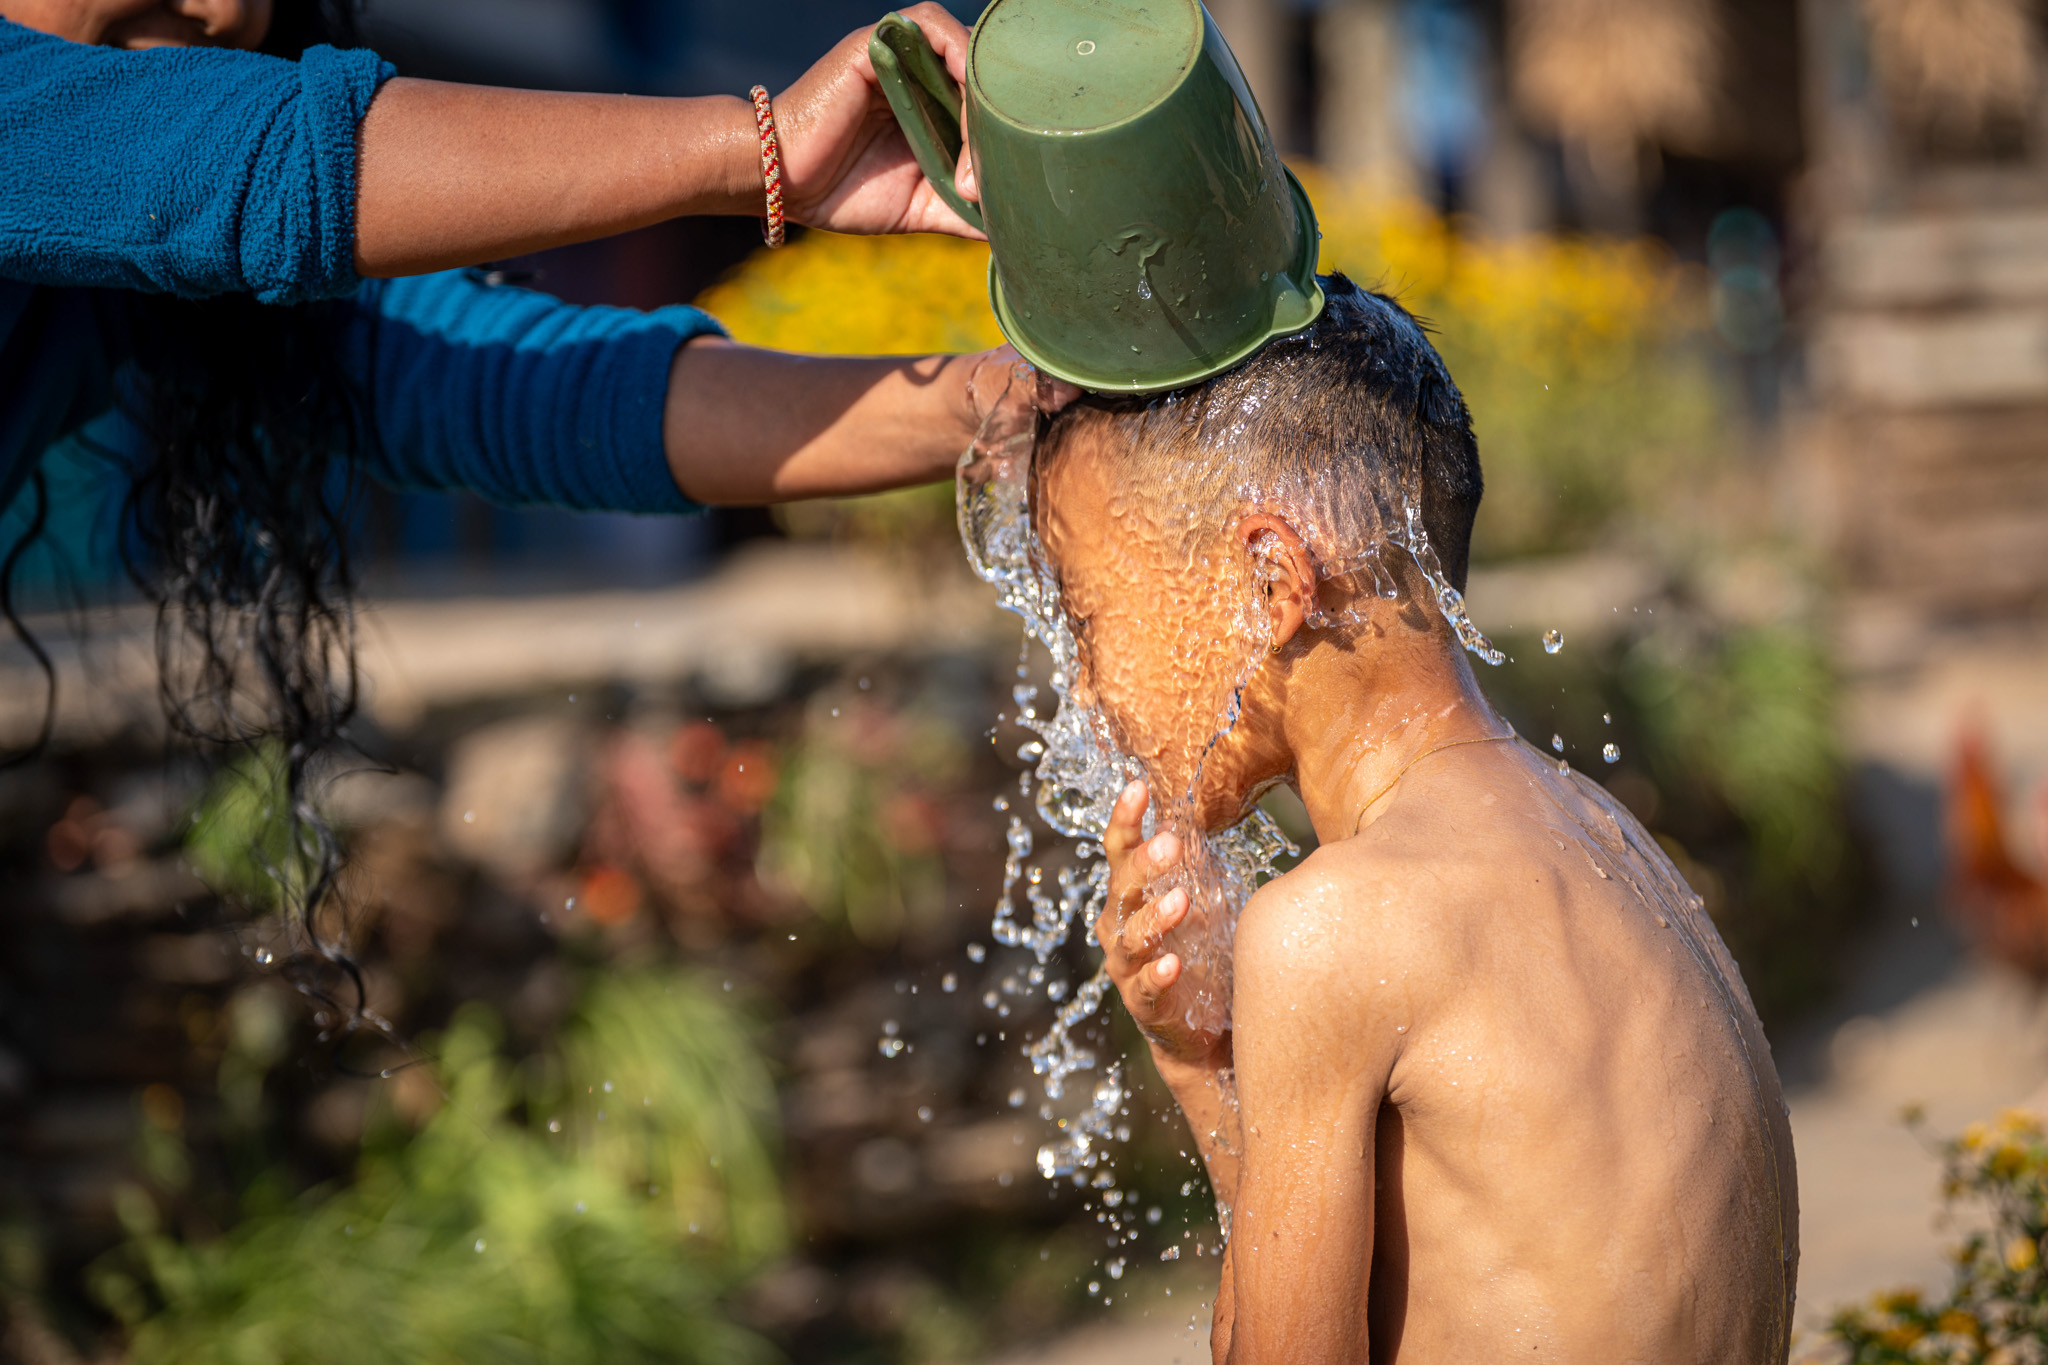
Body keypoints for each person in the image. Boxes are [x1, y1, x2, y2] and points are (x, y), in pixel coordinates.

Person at [0, 0, 1059, 948]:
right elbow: (241, 159)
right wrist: (765, 147)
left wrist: (1005, 404)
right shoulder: (123, 148)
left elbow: (520, 386)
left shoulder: (123, 274)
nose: (226, 9)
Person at [1033, 276, 1799, 1362]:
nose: (1081, 687)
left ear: (1269, 583)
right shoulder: (1612, 840)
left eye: (1088, 619)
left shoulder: (1333, 928)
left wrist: (1202, 1073)